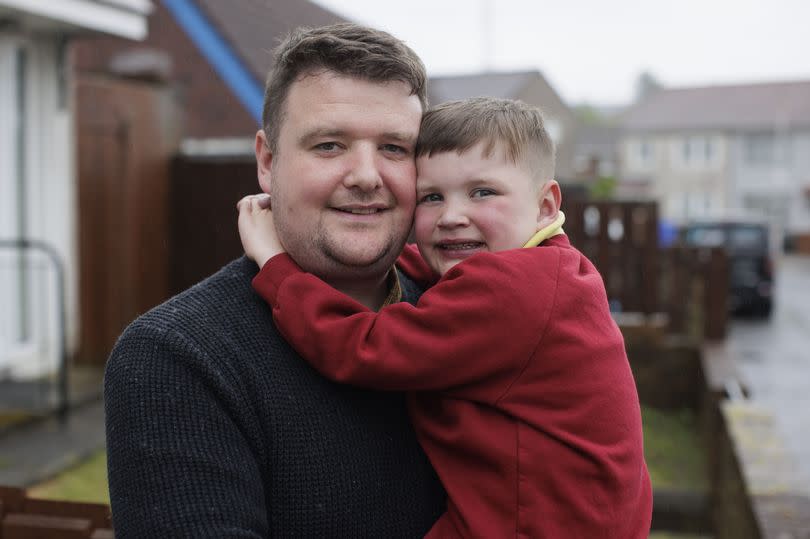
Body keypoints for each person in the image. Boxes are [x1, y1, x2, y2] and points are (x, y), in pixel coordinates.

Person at [238, 97, 653, 538]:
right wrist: (374, 245)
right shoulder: (553, 269)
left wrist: (276, 266)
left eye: (482, 192)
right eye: (432, 197)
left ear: (546, 205)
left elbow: (365, 349)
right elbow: (436, 267)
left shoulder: (510, 291)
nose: (452, 217)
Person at [103, 23, 446, 537]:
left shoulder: (459, 320)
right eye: (329, 145)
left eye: (395, 148)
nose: (367, 175)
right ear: (267, 161)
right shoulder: (176, 359)